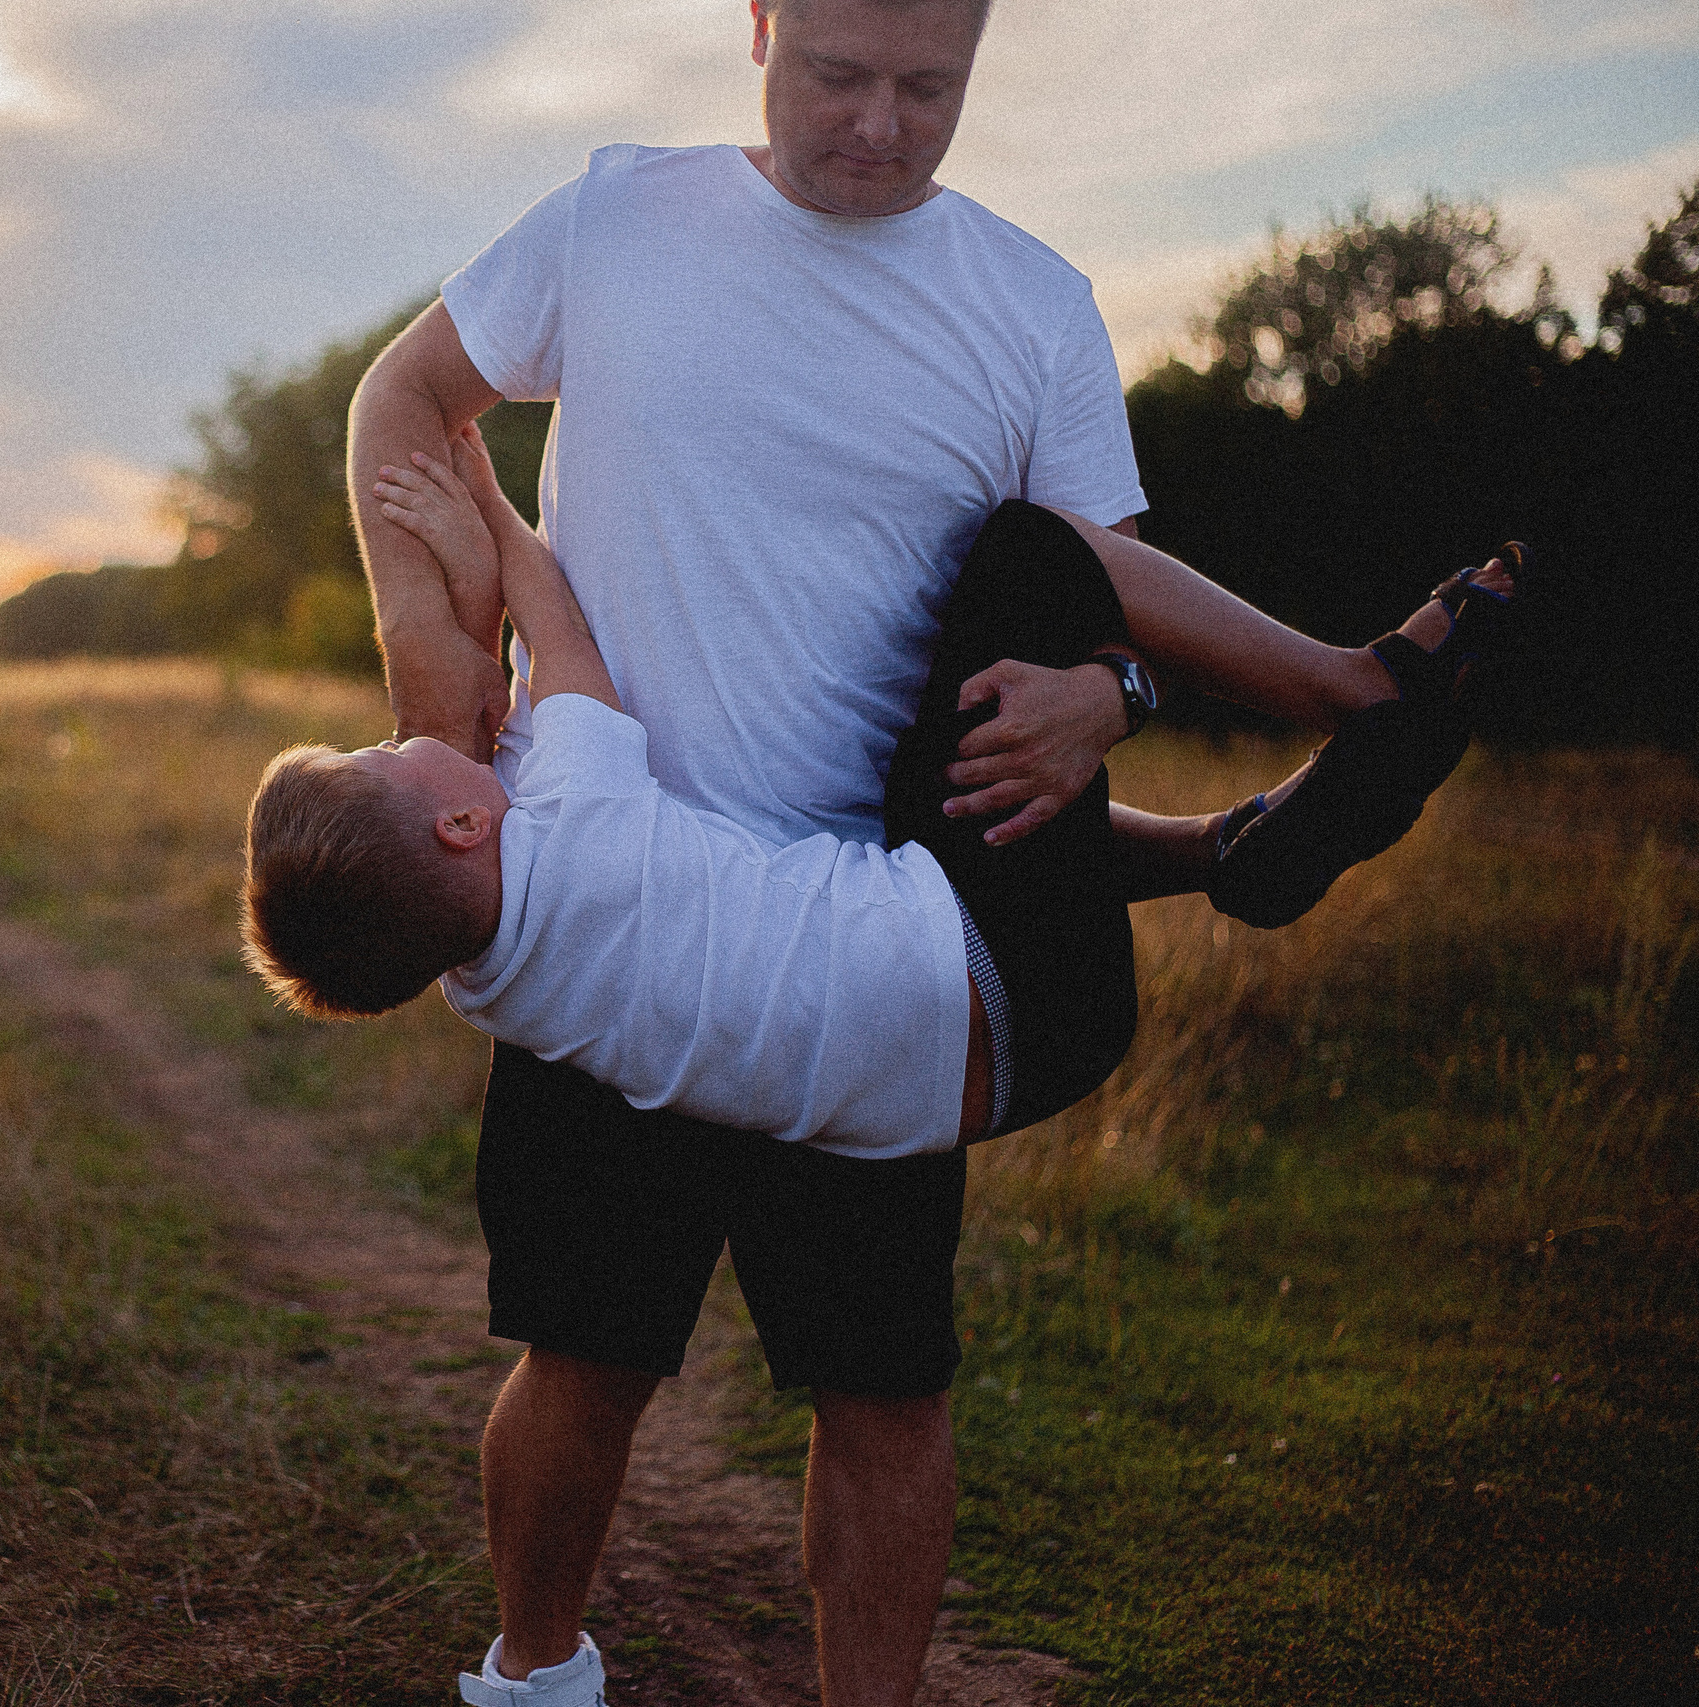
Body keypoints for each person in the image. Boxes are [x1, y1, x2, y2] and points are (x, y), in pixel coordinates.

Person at [341, 1, 1517, 1700]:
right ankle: (533, 1671)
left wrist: (1106, 696)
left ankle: (1349, 702)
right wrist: (429, 661)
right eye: (837, 74)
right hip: (618, 927)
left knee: (887, 1395)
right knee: (584, 1357)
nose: (881, 124)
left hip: (881, 941)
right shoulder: (615, 221)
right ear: (756, 24)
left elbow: (1091, 591)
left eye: (929, 85)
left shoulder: (1032, 306)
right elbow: (405, 395)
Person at [245, 424, 1519, 1155]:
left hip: (991, 1061)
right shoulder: (570, 830)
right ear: (462, 824)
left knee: (902, 841)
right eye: (379, 756)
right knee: (1029, 553)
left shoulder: (491, 975)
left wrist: (456, 624)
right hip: (1005, 975)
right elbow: (561, 652)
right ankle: (1356, 685)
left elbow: (497, 733)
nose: (398, 736)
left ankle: (1233, 856)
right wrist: (487, 497)